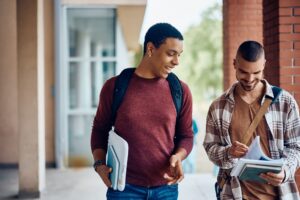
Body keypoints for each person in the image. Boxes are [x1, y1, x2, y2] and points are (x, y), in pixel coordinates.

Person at [91, 23, 193, 200]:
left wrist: (179, 156)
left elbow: (186, 136)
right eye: (171, 54)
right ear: (151, 49)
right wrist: (99, 164)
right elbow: (100, 129)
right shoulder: (115, 87)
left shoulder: (180, 91)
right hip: (123, 188)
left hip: (166, 189)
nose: (177, 62)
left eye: (179, 55)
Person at [203, 40, 300, 200]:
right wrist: (228, 152)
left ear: (264, 65)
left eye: (256, 72)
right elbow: (210, 148)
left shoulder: (285, 102)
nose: (249, 79)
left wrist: (285, 171)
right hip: (233, 194)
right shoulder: (218, 106)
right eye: (243, 72)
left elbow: (296, 147)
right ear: (234, 64)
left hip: (279, 195)